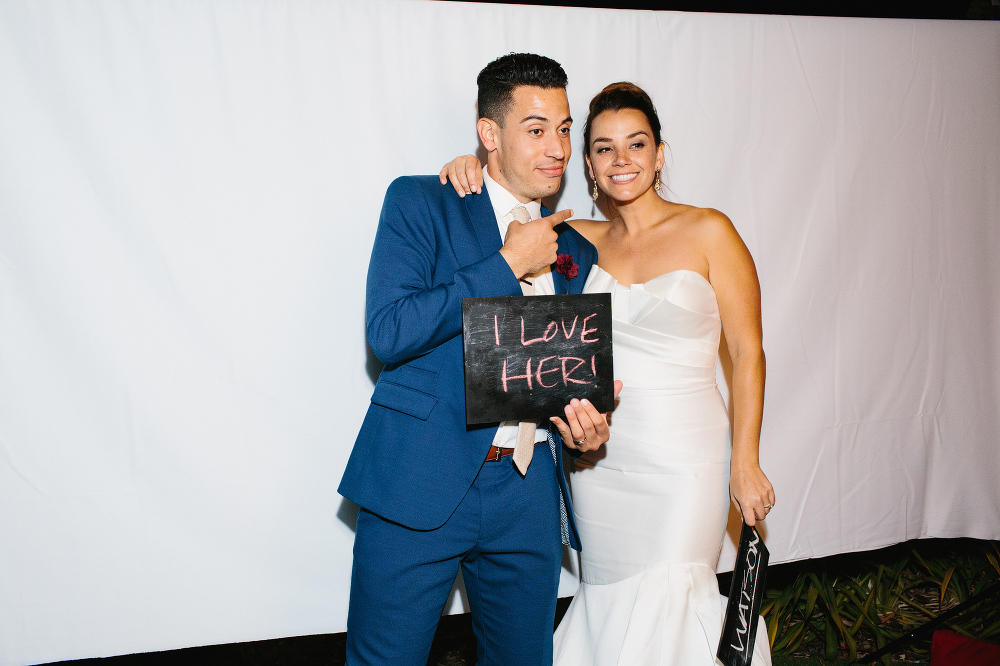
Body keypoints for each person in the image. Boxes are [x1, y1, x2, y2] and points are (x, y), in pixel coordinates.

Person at [441, 81, 775, 665]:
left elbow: (749, 352)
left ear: (660, 153)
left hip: (684, 458)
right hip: (598, 456)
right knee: (609, 603)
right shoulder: (573, 239)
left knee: (674, 598)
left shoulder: (709, 231)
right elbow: (500, 237)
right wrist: (474, 167)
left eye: (637, 143)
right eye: (602, 147)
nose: (621, 159)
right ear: (587, 165)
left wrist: (745, 461)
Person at [339, 54, 621, 666]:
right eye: (537, 128)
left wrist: (583, 433)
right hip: (420, 479)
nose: (559, 148)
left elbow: (551, 376)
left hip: (529, 493)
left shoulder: (572, 246)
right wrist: (505, 264)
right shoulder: (421, 201)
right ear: (489, 134)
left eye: (566, 129)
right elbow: (389, 331)